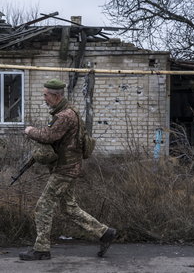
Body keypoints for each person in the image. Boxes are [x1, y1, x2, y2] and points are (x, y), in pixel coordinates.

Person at [19, 78, 116, 261]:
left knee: (43, 206)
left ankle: (41, 249)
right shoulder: (66, 112)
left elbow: (49, 136)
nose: (44, 98)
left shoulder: (65, 116)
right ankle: (104, 233)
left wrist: (30, 130)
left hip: (65, 169)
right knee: (68, 207)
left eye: (46, 95)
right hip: (68, 167)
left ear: (56, 96)